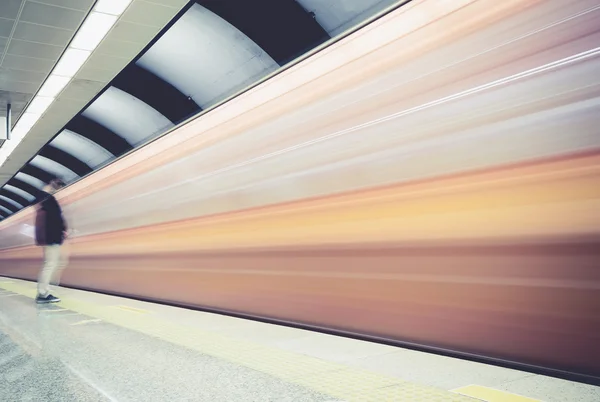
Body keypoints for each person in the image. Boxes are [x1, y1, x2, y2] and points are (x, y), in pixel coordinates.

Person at [34, 178, 68, 304]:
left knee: (51, 264)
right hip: (51, 237)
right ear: (53, 183)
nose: (57, 190)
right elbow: (55, 218)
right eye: (58, 187)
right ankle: (43, 294)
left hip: (50, 236)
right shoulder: (47, 199)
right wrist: (62, 230)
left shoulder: (43, 199)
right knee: (50, 264)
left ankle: (44, 292)